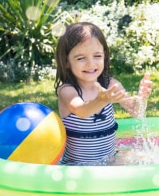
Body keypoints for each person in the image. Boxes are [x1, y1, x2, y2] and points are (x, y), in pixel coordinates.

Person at [54, 22, 153, 165]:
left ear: (104, 56)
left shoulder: (111, 84)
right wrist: (101, 100)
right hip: (78, 167)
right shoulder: (67, 91)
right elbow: (82, 111)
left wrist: (141, 98)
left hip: (109, 161)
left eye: (97, 56)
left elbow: (136, 111)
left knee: (146, 160)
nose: (91, 63)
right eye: (81, 58)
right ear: (66, 61)